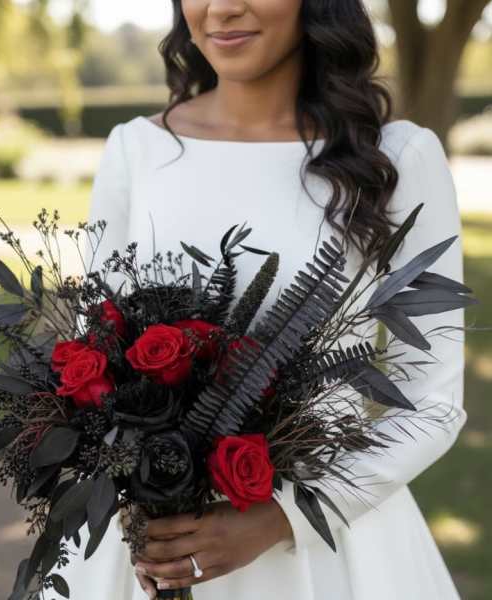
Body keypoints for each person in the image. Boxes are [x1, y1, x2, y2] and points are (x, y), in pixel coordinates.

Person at [55, 1, 466, 598]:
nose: (222, 8)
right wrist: (135, 492)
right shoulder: (137, 150)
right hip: (149, 545)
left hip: (327, 550)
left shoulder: (396, 157)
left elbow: (432, 403)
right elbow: (96, 359)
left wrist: (281, 519)